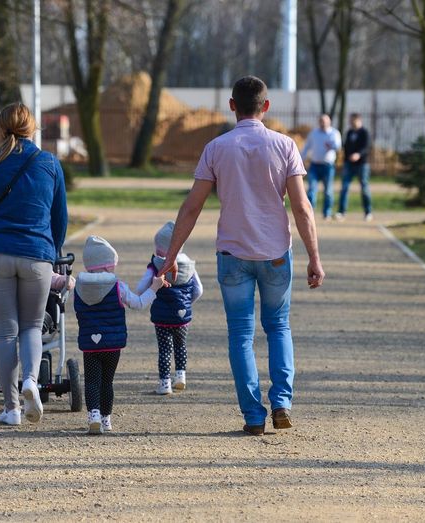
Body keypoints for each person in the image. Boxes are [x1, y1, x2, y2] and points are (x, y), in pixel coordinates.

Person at [158, 76, 325, 436]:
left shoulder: (216, 148)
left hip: (232, 254)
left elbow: (191, 208)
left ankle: (252, 415)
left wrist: (172, 255)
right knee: (279, 327)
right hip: (276, 253)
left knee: (240, 334)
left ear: (232, 106)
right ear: (266, 107)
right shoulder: (285, 146)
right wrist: (314, 256)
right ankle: (281, 402)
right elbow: (302, 207)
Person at [0, 102, 68, 427]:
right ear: (32, 128)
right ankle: (31, 382)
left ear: (1, 127)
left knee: (5, 332)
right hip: (37, 255)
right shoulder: (49, 162)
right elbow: (59, 217)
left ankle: (11, 409)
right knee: (32, 326)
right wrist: (54, 252)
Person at [74, 235, 166, 434]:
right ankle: (106, 419)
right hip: (112, 344)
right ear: (108, 266)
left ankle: (94, 416)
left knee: (91, 381)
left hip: (90, 344)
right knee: (107, 381)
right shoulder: (119, 287)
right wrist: (154, 287)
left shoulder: (79, 286)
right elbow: (139, 304)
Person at [136, 221, 203, 395]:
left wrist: (147, 294)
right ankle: (181, 376)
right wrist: (187, 304)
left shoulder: (155, 266)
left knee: (165, 349)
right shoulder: (189, 266)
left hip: (162, 317)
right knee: (181, 345)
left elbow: (141, 288)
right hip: (183, 316)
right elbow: (199, 290)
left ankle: (165, 383)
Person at [300, 114, 342, 221]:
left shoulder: (334, 133)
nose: (323, 123)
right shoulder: (314, 133)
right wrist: (300, 159)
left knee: (328, 191)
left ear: (329, 122)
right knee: (312, 190)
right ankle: (310, 213)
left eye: (325, 121)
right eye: (321, 121)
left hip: (328, 166)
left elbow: (338, 146)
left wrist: (331, 146)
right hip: (314, 165)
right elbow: (306, 147)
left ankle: (326, 213)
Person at [336, 113, 373, 221]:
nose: (351, 122)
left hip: (362, 164)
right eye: (350, 120)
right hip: (349, 164)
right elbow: (346, 147)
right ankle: (341, 212)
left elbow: (367, 147)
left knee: (364, 188)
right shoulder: (349, 132)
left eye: (353, 120)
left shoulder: (364, 133)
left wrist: (358, 155)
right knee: (344, 188)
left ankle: (368, 212)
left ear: (359, 120)